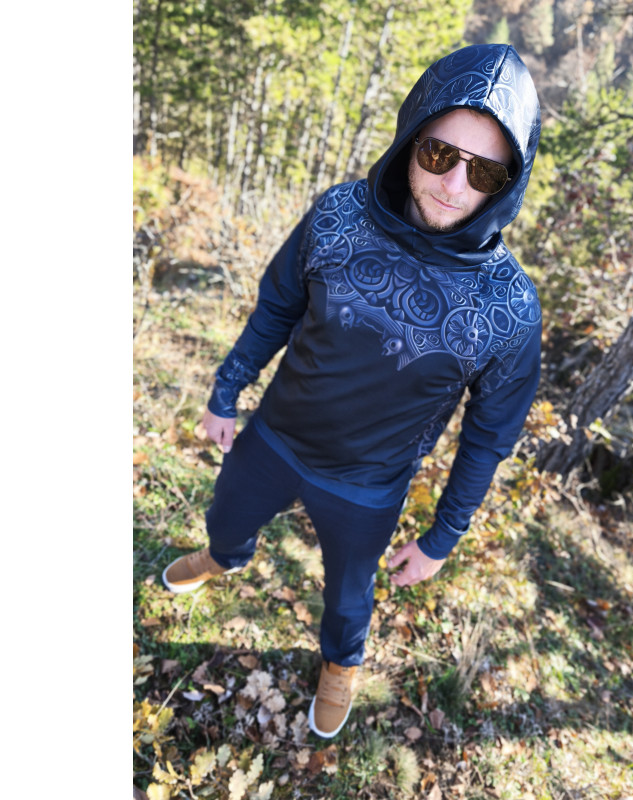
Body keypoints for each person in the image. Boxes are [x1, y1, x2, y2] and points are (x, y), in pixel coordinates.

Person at [162, 43, 542, 739]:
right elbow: (277, 305)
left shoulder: (509, 308)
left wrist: (441, 539)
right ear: (411, 137)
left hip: (368, 484)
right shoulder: (339, 215)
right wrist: (226, 390)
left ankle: (341, 663)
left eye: (484, 170)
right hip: (274, 437)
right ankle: (224, 557)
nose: (454, 183)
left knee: (347, 595)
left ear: (507, 183)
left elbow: (489, 438)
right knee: (226, 516)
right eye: (439, 154)